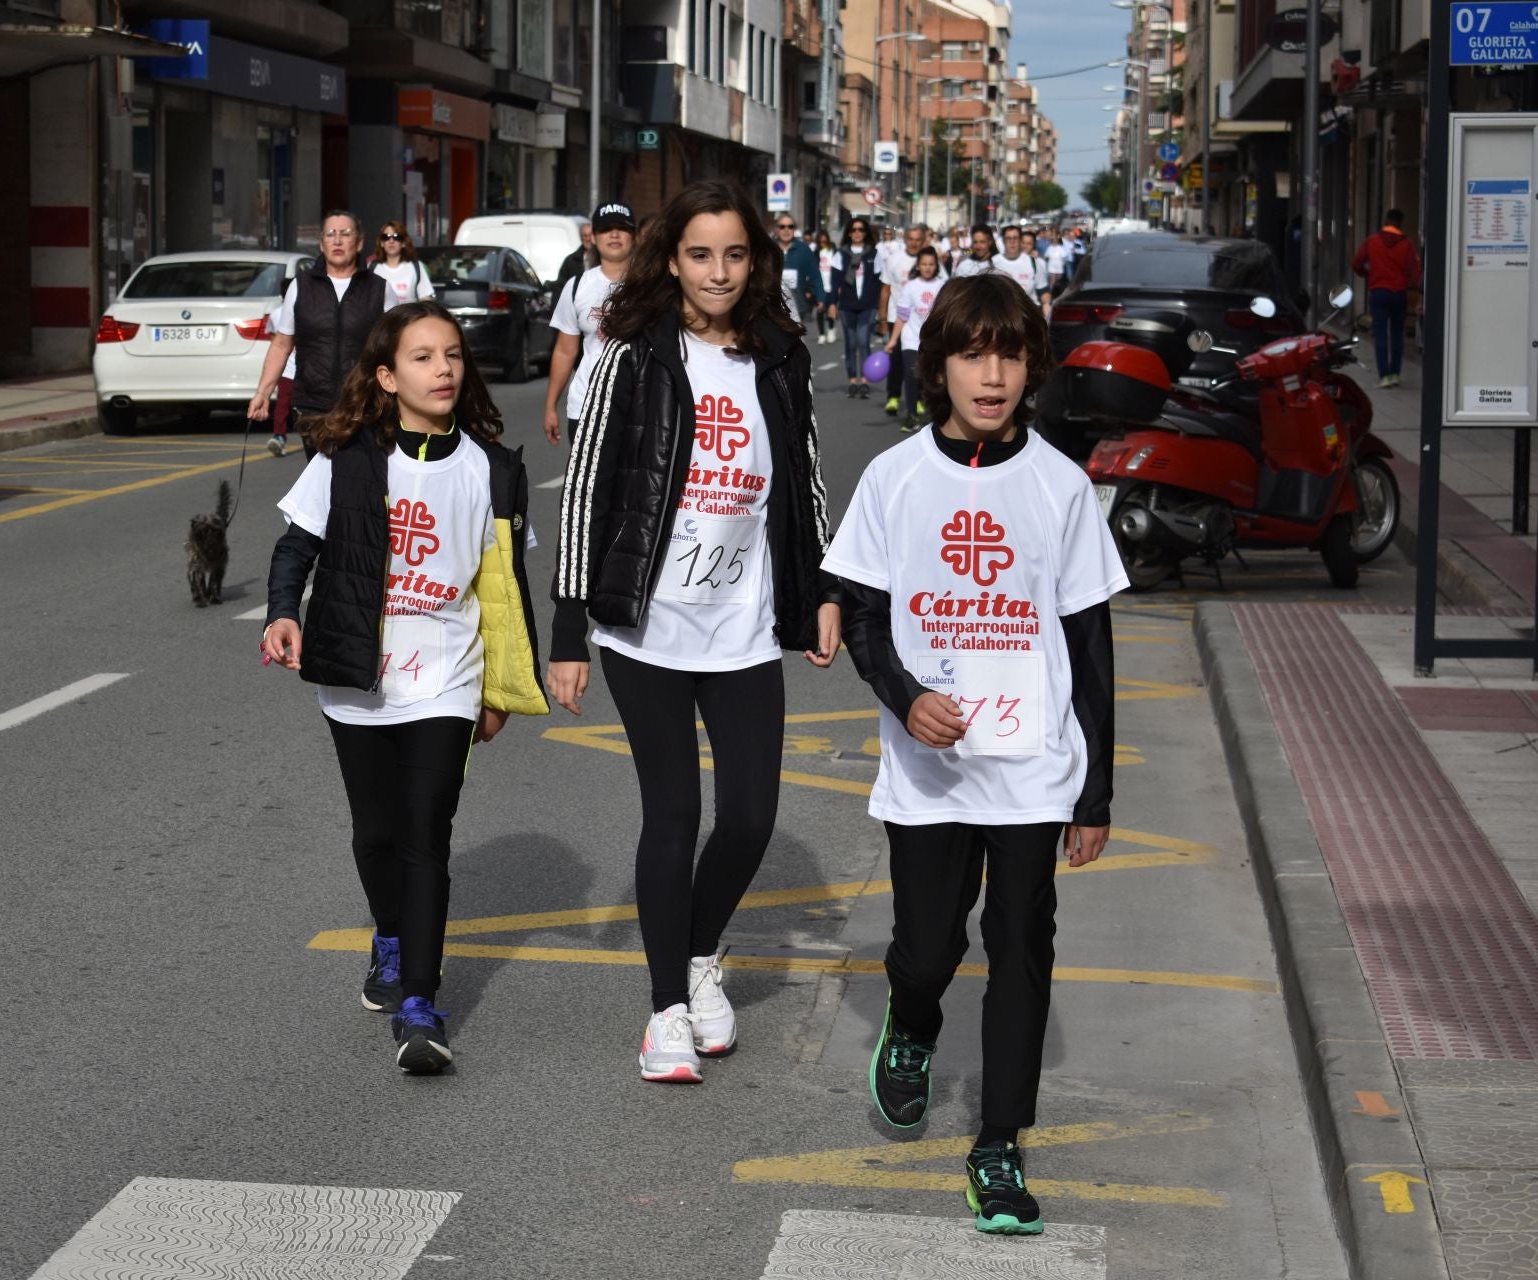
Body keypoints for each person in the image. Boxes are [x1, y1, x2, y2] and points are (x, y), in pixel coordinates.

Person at [822, 273, 1125, 1236]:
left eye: (1008, 355)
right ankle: (910, 1028)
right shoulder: (896, 477)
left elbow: (1089, 645)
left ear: (1032, 365)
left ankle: (999, 1145)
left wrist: (1095, 793)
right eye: (970, 354)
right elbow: (866, 618)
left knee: (1021, 947)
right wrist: (907, 701)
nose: (990, 376)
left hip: (1031, 767)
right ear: (940, 364)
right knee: (925, 951)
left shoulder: (1061, 486)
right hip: (930, 772)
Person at [550, 179, 842, 1084]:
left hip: (744, 624)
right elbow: (588, 492)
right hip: (647, 625)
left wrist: (820, 587)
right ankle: (666, 1010)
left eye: (736, 254)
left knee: (751, 816)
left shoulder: (780, 358)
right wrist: (567, 630)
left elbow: (805, 480)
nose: (719, 272)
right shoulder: (632, 355)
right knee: (672, 813)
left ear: (757, 261)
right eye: (700, 254)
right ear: (670, 259)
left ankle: (700, 948)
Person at [262, 300, 549, 1074]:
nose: (444, 369)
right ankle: (388, 937)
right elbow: (297, 546)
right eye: (422, 358)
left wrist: (499, 686)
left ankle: (421, 1005)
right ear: (387, 377)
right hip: (360, 673)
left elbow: (503, 588)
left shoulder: (493, 469)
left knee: (426, 831)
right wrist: (282, 614)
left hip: (448, 678)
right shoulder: (347, 455)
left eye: (452, 354)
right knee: (377, 831)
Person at [247, 211, 397, 457]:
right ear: (321, 243)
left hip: (364, 405)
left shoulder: (380, 289)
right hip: (313, 406)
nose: (337, 241)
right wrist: (263, 392)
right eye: (330, 234)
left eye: (345, 234)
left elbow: (396, 348)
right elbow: (282, 345)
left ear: (359, 242)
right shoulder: (301, 286)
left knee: (357, 484)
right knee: (321, 486)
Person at [544, 201, 636, 443]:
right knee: (589, 481)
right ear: (593, 237)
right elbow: (565, 351)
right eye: (606, 229)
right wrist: (551, 406)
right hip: (586, 405)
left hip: (638, 407)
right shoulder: (576, 287)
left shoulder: (651, 287)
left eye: (622, 228)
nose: (614, 234)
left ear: (634, 236)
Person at [1352, 208, 1423, 389]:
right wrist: (1411, 285)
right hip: (1398, 293)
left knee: (1381, 334)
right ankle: (1395, 374)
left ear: (1385, 221)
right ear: (1400, 223)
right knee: (1397, 335)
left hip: (1378, 292)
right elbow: (1416, 272)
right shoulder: (1406, 244)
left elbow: (1356, 263)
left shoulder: (1372, 241)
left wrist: (1368, 273)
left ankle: (1384, 375)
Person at [882, 245, 942, 426]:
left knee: (932, 377)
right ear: (918, 266)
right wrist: (893, 340)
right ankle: (911, 414)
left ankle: (933, 413)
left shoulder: (942, 285)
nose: (927, 267)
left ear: (936, 265)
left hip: (933, 341)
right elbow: (902, 316)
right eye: (924, 264)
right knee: (911, 374)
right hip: (911, 338)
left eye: (931, 264)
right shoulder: (910, 287)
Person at [830, 217, 882, 398]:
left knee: (863, 341)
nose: (857, 233)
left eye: (861, 230)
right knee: (851, 343)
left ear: (866, 233)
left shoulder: (873, 255)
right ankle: (853, 380)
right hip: (847, 305)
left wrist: (879, 307)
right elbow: (834, 282)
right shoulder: (840, 254)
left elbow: (878, 283)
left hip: (868, 305)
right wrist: (831, 304)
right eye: (854, 230)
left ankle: (865, 380)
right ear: (849, 233)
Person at [773, 214, 827, 325]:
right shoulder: (768, 249)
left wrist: (820, 297)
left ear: (794, 229)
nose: (786, 230)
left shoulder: (804, 250)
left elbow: (815, 275)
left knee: (793, 339)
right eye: (782, 227)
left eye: (790, 226)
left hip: (797, 305)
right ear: (777, 230)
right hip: (773, 305)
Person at [992, 226, 1052, 316]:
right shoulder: (993, 262)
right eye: (1008, 238)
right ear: (1003, 241)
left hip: (1028, 316)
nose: (1012, 242)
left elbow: (1043, 291)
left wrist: (1047, 310)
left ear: (1020, 240)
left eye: (1015, 238)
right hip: (1002, 316)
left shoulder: (1033, 262)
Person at [372, 220, 435, 304]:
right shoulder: (372, 268)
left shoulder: (415, 267)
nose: (391, 241)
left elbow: (426, 299)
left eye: (396, 237)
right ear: (381, 243)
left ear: (403, 243)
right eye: (386, 237)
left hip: (409, 316)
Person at [555, 219, 597, 299]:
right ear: (581, 237)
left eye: (590, 235)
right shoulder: (570, 261)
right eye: (585, 235)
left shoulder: (603, 259)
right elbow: (559, 288)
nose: (588, 239)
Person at [814, 231, 838, 344]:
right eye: (820, 241)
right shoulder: (816, 252)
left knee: (830, 309)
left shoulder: (833, 252)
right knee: (820, 310)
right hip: (820, 286)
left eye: (824, 241)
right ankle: (821, 334)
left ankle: (831, 329)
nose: (822, 243)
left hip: (831, 285)